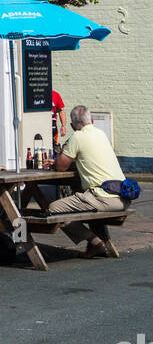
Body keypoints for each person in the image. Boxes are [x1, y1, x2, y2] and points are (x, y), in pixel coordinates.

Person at [47, 105, 127, 257]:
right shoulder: (101, 134)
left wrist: (58, 160)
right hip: (122, 197)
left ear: (72, 126)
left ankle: (95, 242)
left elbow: (61, 167)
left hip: (102, 198)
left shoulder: (77, 137)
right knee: (85, 203)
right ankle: (97, 244)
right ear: (91, 120)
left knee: (53, 209)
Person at [52, 89, 67, 153]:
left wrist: (63, 126)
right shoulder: (35, 93)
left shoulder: (55, 94)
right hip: (39, 122)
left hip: (52, 123)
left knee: (54, 146)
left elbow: (61, 111)